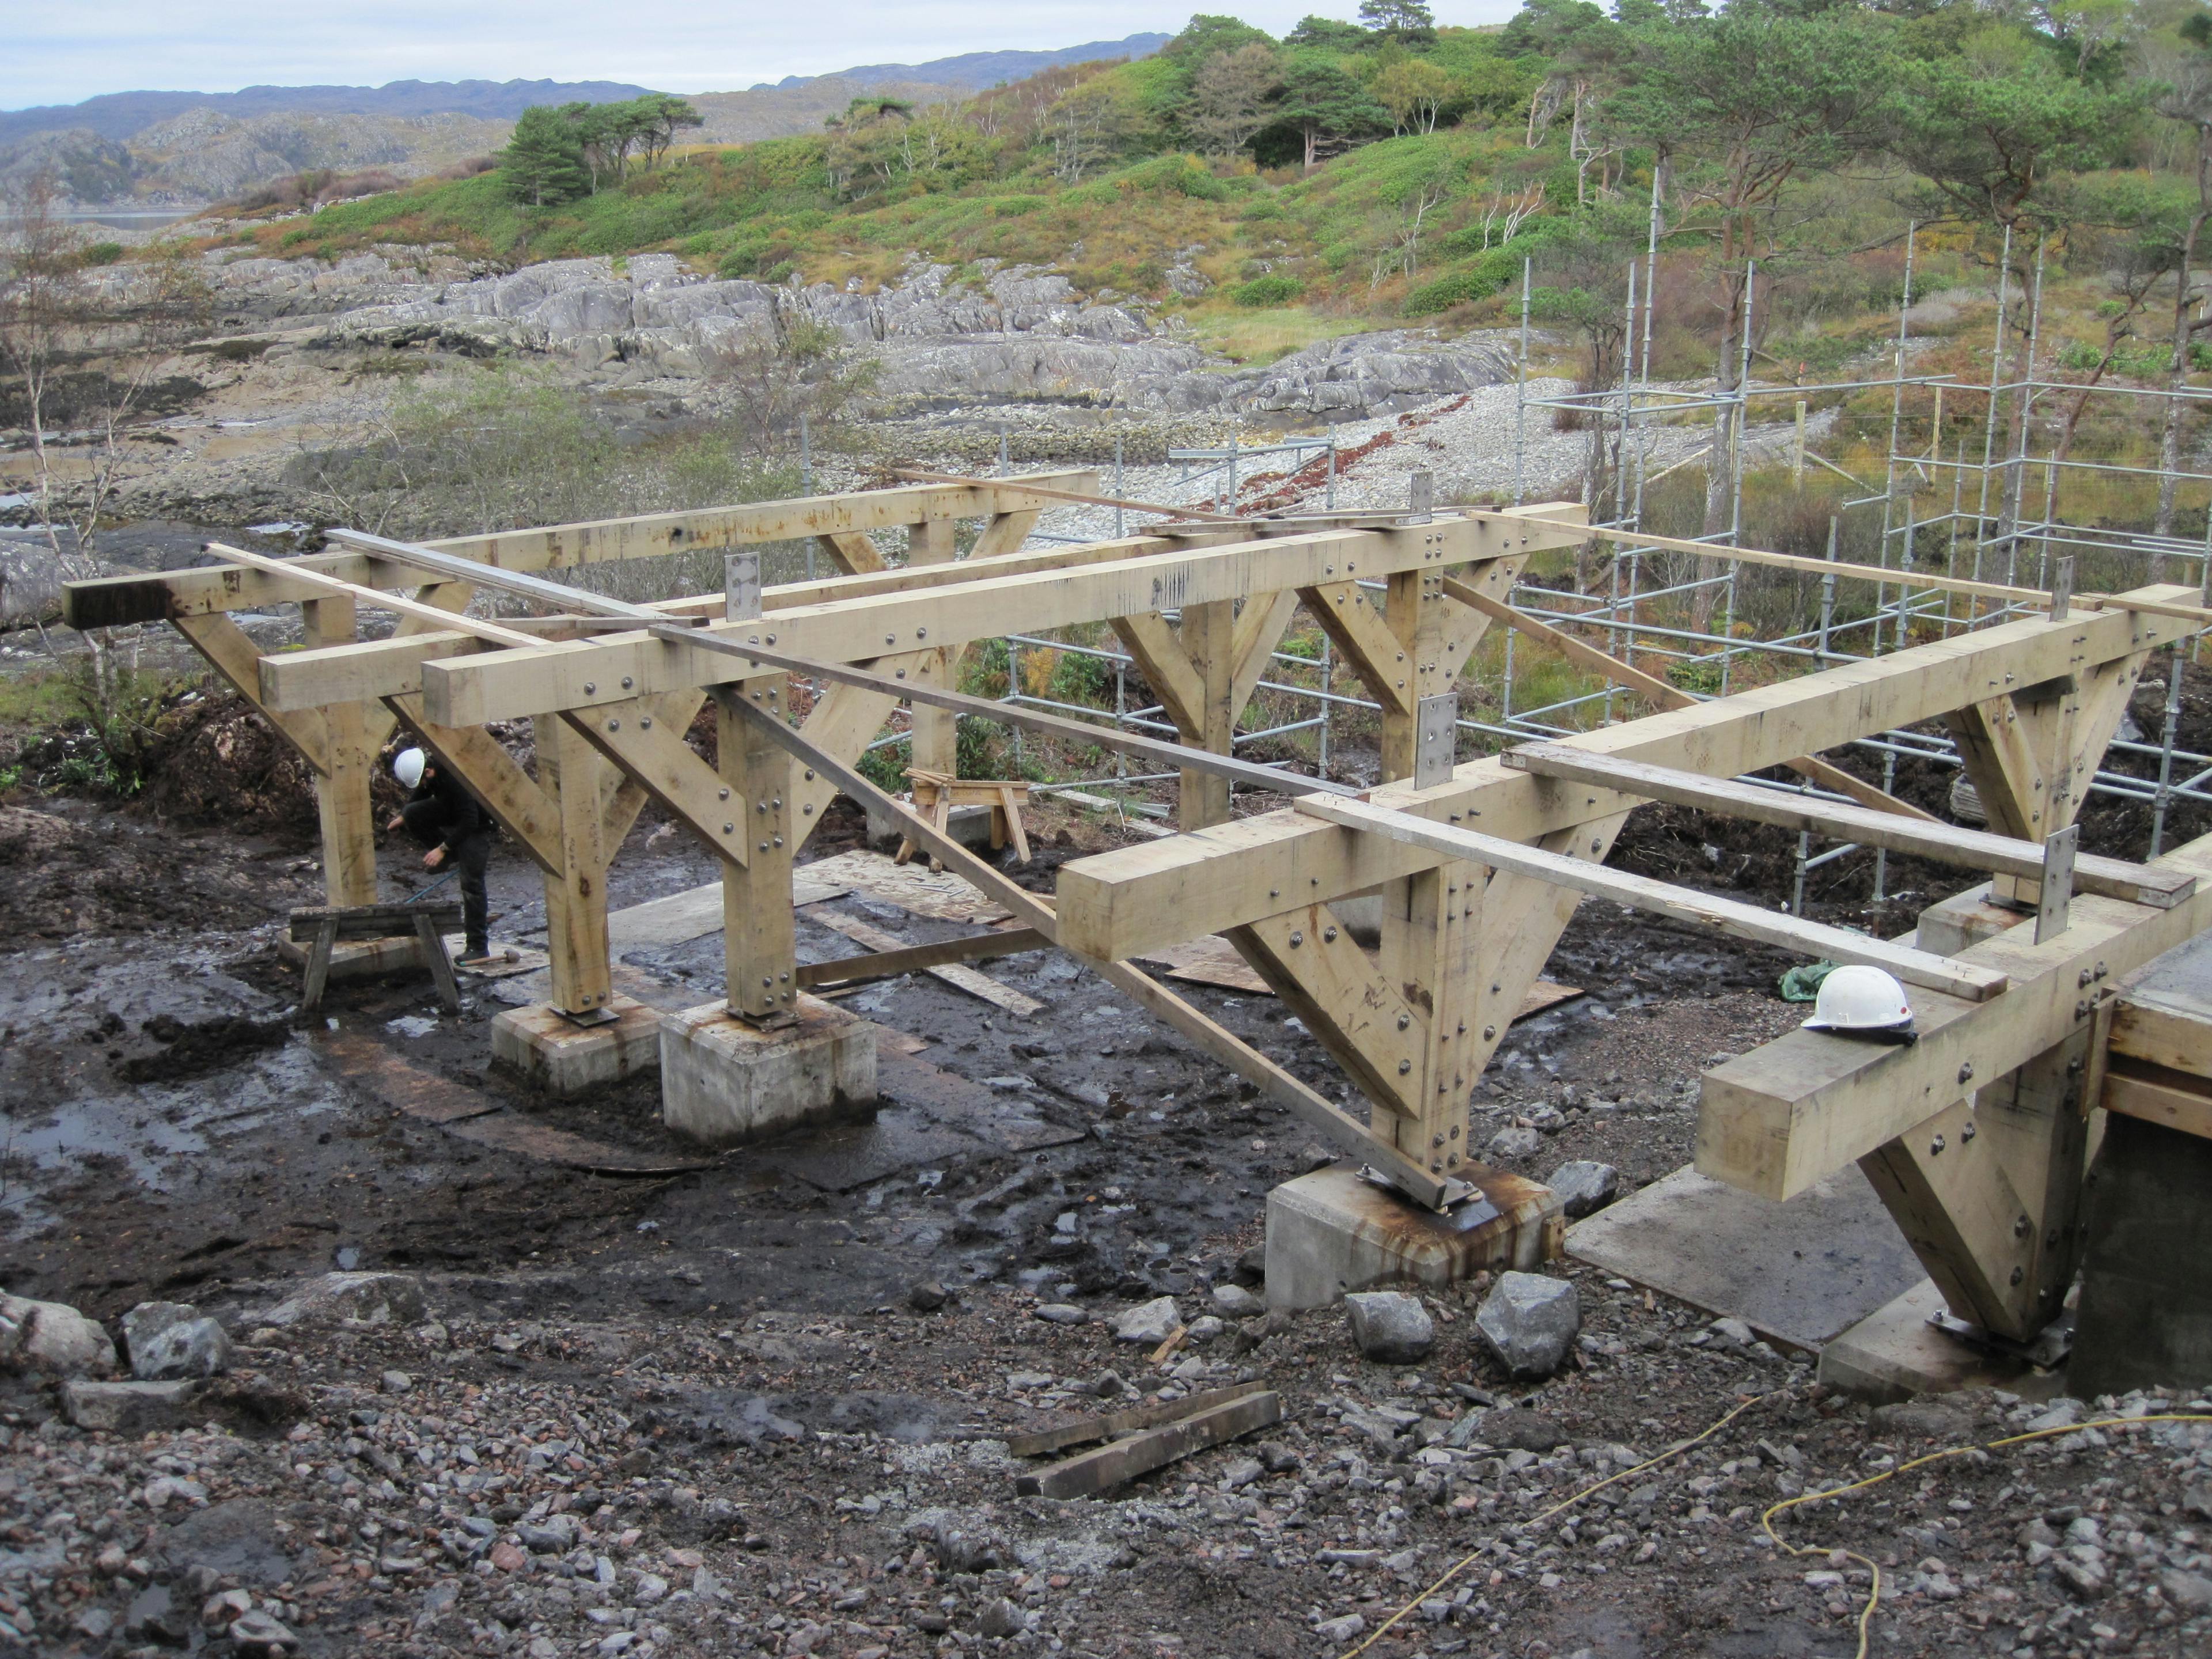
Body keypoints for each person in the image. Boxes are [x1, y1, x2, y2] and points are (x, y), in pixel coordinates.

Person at [388, 747, 495, 965]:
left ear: (429, 772)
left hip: (476, 826)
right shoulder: (432, 772)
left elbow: (470, 821)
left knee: (471, 885)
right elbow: (422, 792)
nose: (423, 786)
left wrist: (442, 848)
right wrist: (404, 816)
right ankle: (450, 856)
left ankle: (478, 946)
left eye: (423, 781)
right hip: (455, 814)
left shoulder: (456, 779)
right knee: (412, 813)